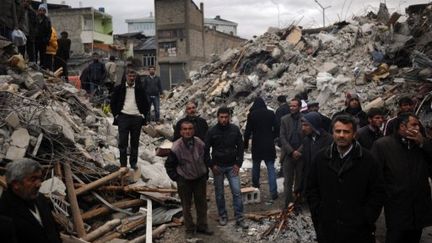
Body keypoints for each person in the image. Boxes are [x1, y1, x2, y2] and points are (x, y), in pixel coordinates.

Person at [306, 115, 385, 243]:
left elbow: (377, 192)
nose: (341, 135)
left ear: (354, 134)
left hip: (358, 231)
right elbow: (312, 188)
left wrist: (366, 217)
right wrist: (319, 212)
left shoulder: (368, 160)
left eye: (346, 131)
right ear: (333, 133)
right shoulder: (321, 158)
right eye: (338, 131)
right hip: (328, 229)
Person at [372, 113, 432, 243]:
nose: (418, 127)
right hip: (397, 207)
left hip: (419, 207)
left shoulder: (421, 144)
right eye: (414, 124)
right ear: (402, 127)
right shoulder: (383, 145)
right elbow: (374, 176)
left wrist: (423, 144)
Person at [165, 120, 213, 238]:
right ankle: (190, 229)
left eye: (190, 129)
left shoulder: (199, 143)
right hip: (184, 180)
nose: (187, 131)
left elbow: (206, 158)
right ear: (181, 131)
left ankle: (202, 226)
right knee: (186, 206)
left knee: (201, 204)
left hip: (199, 178)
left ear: (193, 130)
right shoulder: (176, 147)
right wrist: (177, 178)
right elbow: (169, 165)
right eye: (185, 129)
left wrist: (205, 173)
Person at [205, 107, 248, 229]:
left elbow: (240, 147)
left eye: (226, 117)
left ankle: (239, 217)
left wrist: (238, 164)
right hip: (218, 167)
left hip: (232, 166)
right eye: (221, 117)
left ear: (229, 117)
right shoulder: (212, 131)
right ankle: (223, 215)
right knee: (219, 194)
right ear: (217, 117)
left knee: (237, 192)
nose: (224, 119)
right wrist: (212, 165)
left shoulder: (234, 130)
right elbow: (206, 150)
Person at [0, 158, 62, 243]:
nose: (39, 184)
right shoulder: (4, 212)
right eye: (33, 179)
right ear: (16, 184)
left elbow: (53, 231)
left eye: (40, 179)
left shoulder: (41, 199)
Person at [110, 69, 149, 170]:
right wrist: (116, 115)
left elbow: (146, 104)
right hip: (123, 117)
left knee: (134, 143)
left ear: (135, 77)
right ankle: (123, 164)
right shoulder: (119, 88)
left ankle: (133, 163)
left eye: (133, 76)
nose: (132, 78)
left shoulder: (140, 89)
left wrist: (143, 115)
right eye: (130, 76)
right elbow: (112, 103)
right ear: (126, 77)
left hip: (136, 118)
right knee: (123, 142)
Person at [244, 97, 278, 200]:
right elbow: (277, 128)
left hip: (257, 144)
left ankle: (255, 187)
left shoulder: (252, 115)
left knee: (256, 166)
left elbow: (247, 131)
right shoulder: (271, 114)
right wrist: (272, 136)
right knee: (271, 167)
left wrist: (245, 145)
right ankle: (273, 193)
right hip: (269, 144)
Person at [280, 98, 304, 209]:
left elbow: (307, 137)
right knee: (288, 181)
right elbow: (282, 137)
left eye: (294, 106)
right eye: (291, 106)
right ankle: (288, 205)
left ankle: (298, 203)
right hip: (288, 155)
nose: (292, 108)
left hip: (301, 155)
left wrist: (299, 151)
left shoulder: (305, 119)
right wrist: (291, 151)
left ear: (299, 107)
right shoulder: (284, 120)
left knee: (299, 181)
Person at [275, 95, 290, 177]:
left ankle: (283, 171)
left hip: (283, 134)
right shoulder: (290, 108)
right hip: (291, 134)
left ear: (279, 102)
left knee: (284, 153)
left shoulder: (279, 110)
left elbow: (277, 124)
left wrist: (277, 136)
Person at [35, 3, 51, 69]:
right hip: (35, 39)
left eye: (43, 10)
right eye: (40, 10)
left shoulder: (47, 20)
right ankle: (34, 66)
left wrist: (47, 39)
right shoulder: (34, 18)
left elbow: (49, 31)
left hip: (43, 41)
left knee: (43, 55)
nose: (41, 12)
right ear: (38, 11)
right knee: (34, 54)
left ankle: (42, 67)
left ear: (45, 11)